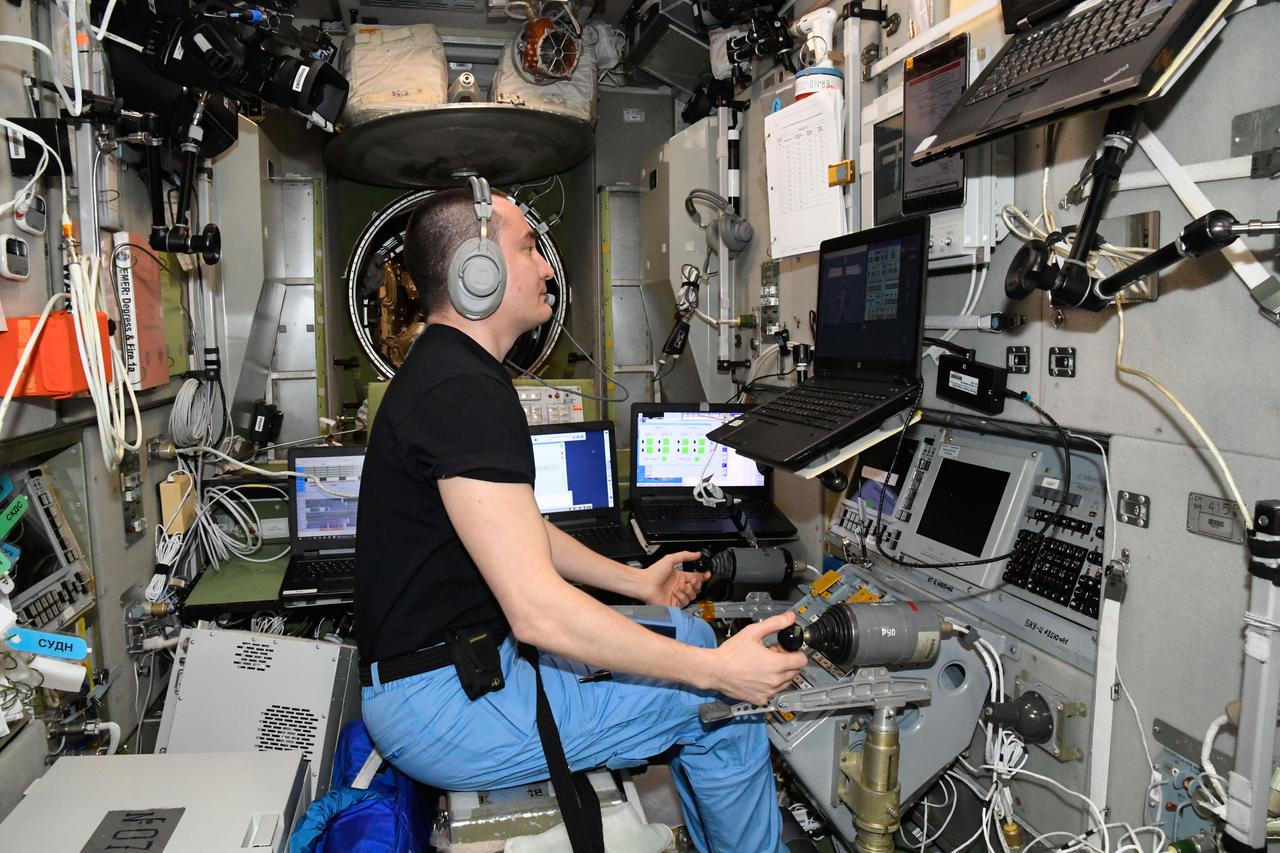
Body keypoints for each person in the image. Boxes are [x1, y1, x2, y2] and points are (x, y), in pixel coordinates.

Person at [355, 181, 809, 853]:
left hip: (458, 670)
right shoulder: (462, 391)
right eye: (528, 248)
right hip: (443, 705)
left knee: (689, 630)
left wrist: (636, 582)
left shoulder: (449, 370)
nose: (546, 266)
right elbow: (537, 613)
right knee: (726, 703)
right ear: (477, 270)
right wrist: (714, 673)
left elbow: (518, 533)